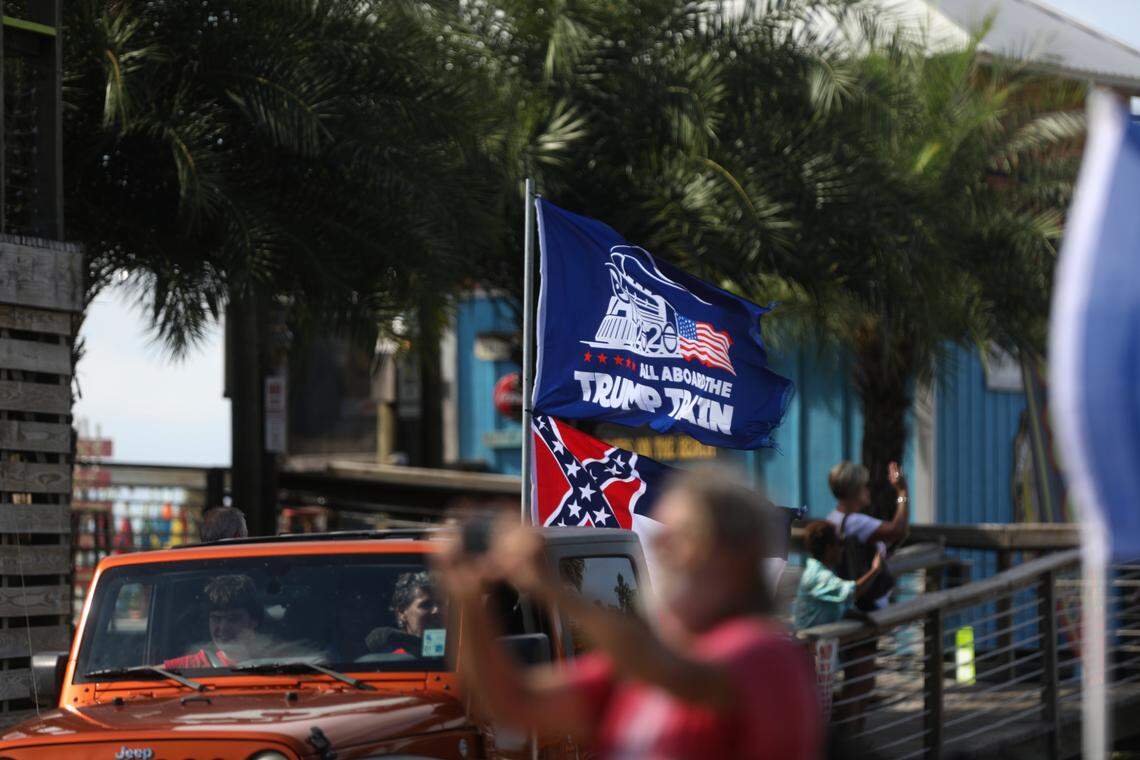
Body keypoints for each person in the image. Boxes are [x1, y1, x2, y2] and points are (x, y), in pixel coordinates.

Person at [436, 471, 821, 760]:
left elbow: (677, 674)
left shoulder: (765, 653)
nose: (660, 543)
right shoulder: (644, 660)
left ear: (736, 557)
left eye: (684, 532)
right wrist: (467, 598)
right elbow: (512, 702)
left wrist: (554, 588)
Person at [825, 460, 908, 611]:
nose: (867, 490)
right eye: (863, 486)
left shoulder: (833, 517)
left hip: (850, 603)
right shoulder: (856, 522)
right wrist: (902, 492)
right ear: (854, 491)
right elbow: (898, 530)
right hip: (869, 604)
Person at [794, 521, 884, 630]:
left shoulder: (824, 571)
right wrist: (875, 570)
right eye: (840, 543)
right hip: (808, 642)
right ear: (829, 548)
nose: (842, 549)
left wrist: (863, 618)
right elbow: (852, 593)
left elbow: (835, 605)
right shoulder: (820, 576)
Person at [164, 574, 262, 668]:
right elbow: (150, 676)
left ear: (253, 621)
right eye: (216, 618)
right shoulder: (192, 665)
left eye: (233, 619)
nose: (223, 628)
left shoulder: (273, 662)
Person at [366, 571, 444, 655]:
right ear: (401, 613)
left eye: (440, 604)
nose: (437, 610)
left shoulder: (455, 652)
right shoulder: (393, 659)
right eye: (425, 605)